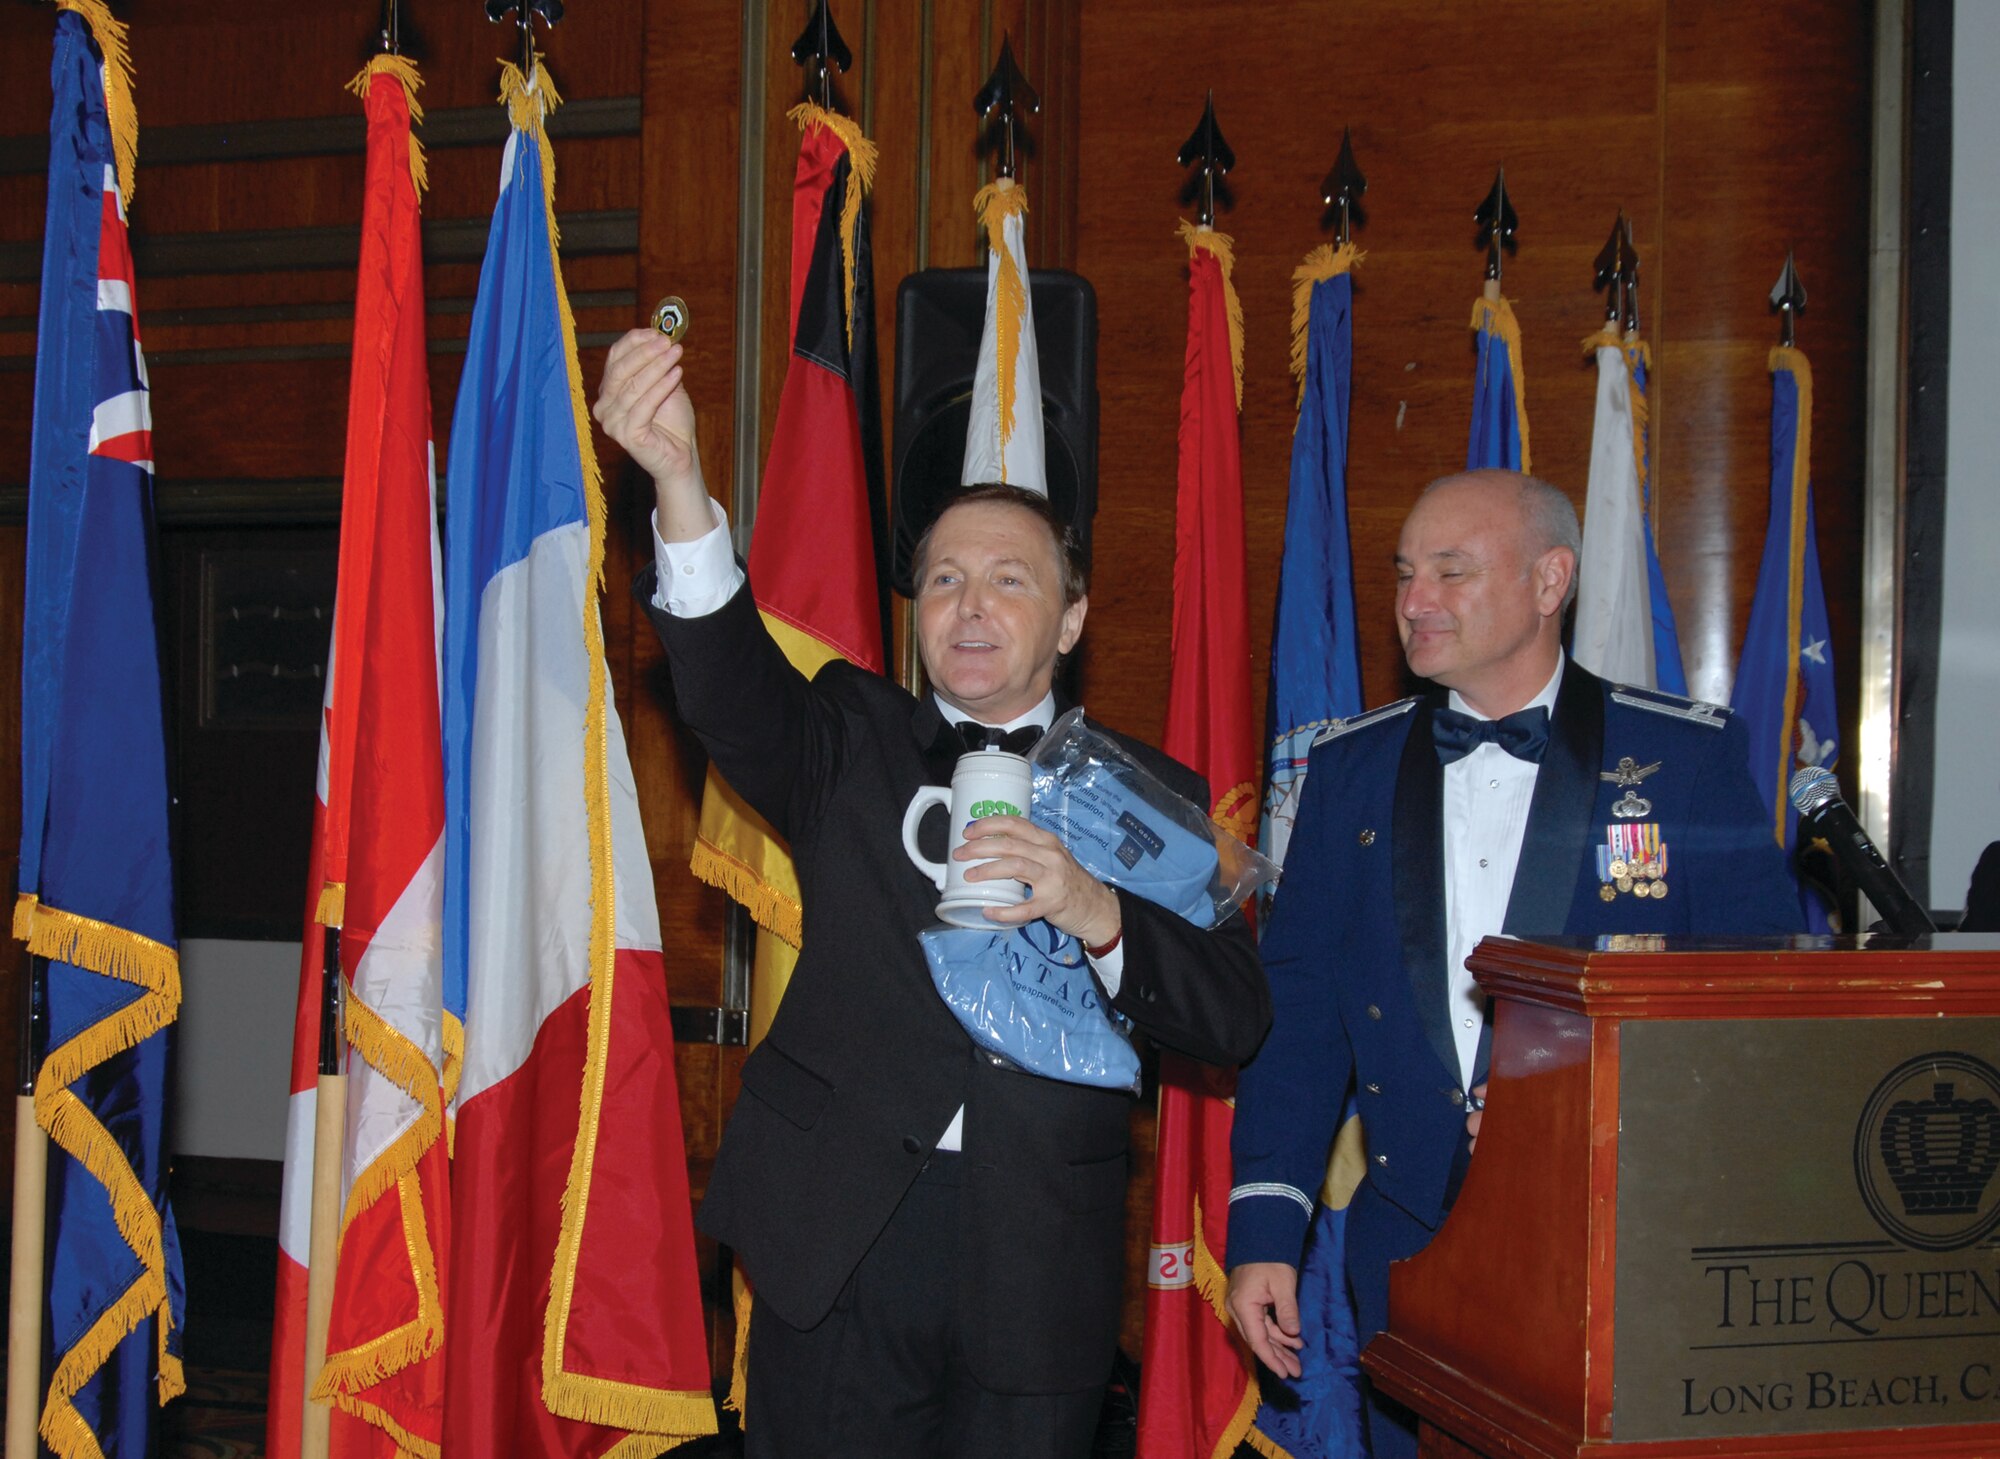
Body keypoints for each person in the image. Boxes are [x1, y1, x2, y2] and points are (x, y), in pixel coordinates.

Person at [593, 331, 1270, 1459]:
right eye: (944, 578)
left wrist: (1098, 910)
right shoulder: (850, 733)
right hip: (843, 1229)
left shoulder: (1145, 804)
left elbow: (1234, 1015)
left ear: (1069, 620)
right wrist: (678, 481)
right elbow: (726, 684)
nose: (968, 604)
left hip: (1036, 1255)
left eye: (1010, 580)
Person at [1224, 469, 1804, 1459]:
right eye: (1406, 573)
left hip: (1614, 1252)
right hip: (1406, 1247)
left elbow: (1752, 1018)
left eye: (1450, 571)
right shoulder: (1349, 770)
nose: (1413, 600)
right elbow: (1300, 1017)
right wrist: (1265, 1228)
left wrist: (1582, 1109)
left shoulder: (1678, 761)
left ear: (1549, 582)